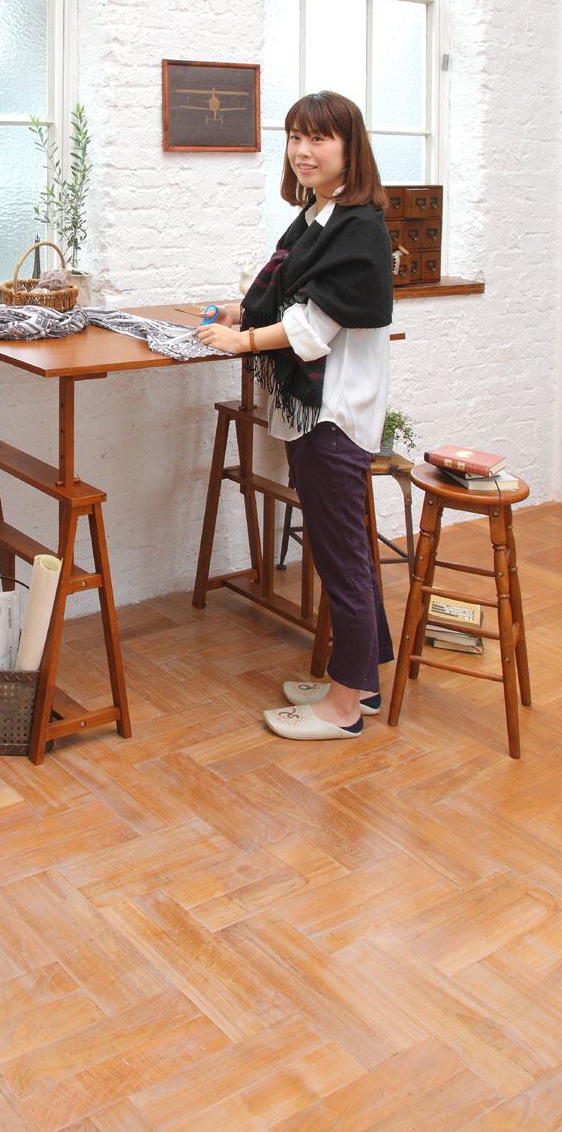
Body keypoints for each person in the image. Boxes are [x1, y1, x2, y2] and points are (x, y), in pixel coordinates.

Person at [198, 90, 395, 741]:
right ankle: (361, 682)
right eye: (294, 137)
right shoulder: (317, 216)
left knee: (341, 558)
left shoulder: (358, 229)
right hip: (318, 411)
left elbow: (313, 327)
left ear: (349, 147)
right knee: (344, 550)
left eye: (319, 138)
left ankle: (344, 709)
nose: (303, 151)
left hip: (334, 414)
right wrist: (238, 311)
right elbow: (288, 296)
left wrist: (243, 341)